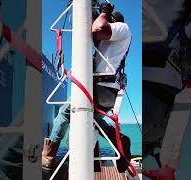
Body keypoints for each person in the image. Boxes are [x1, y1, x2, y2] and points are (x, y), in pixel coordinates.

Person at [42, 3, 133, 174]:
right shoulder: (109, 43)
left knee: (64, 112)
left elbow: (98, 27)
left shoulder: (122, 27)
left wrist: (105, 12)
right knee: (95, 120)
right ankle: (120, 140)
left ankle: (49, 154)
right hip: (105, 89)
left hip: (100, 87)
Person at [142, 0, 191, 179]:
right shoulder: (188, 43)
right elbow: (186, 97)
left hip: (148, 107)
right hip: (161, 120)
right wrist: (169, 164)